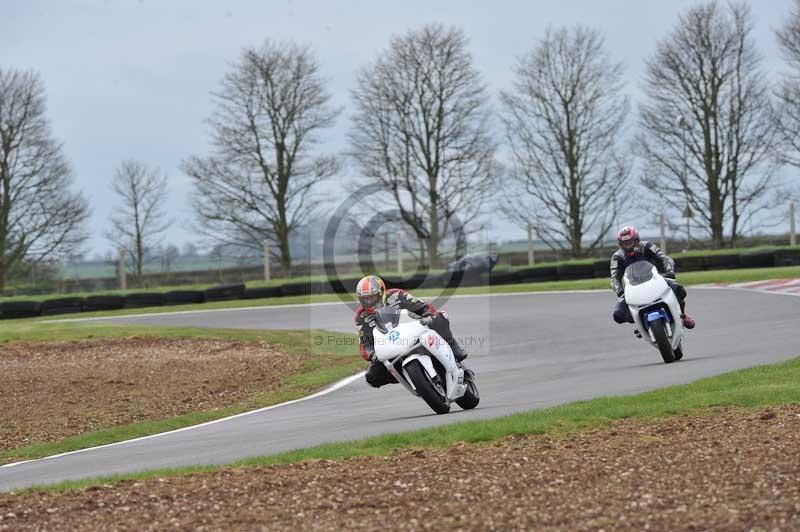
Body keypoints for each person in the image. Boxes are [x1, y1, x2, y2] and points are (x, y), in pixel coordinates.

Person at [354, 275, 468, 388]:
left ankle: (454, 348)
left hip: (414, 331)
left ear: (381, 292)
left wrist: (427, 314)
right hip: (390, 347)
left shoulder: (396, 295)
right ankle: (407, 376)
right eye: (364, 299)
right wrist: (371, 354)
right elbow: (364, 344)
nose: (368, 302)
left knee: (439, 317)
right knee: (372, 377)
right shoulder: (361, 317)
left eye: (371, 297)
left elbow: (423, 306)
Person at [610, 226, 696, 334]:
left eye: (630, 242)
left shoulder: (647, 246)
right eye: (624, 243)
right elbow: (614, 278)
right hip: (633, 287)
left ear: (636, 240)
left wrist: (669, 272)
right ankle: (641, 323)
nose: (628, 245)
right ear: (620, 244)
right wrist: (619, 291)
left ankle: (682, 316)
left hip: (655, 280)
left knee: (679, 290)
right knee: (618, 314)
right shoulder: (617, 257)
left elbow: (664, 259)